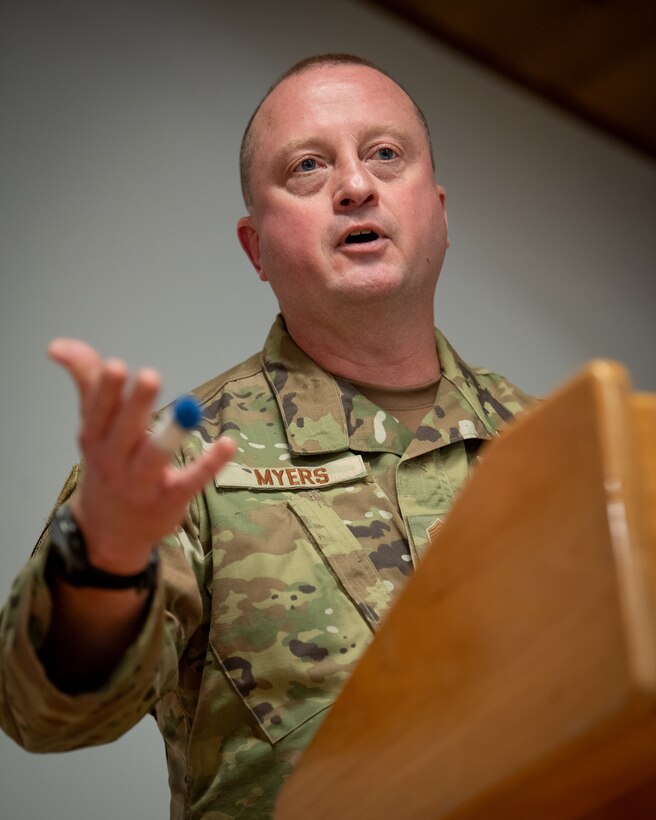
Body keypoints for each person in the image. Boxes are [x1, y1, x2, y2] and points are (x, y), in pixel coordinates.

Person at [0, 54, 533, 818]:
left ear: (440, 211)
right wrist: (103, 569)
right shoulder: (175, 463)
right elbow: (40, 714)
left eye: (385, 154)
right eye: (308, 167)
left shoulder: (563, 442)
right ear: (256, 249)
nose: (355, 185)